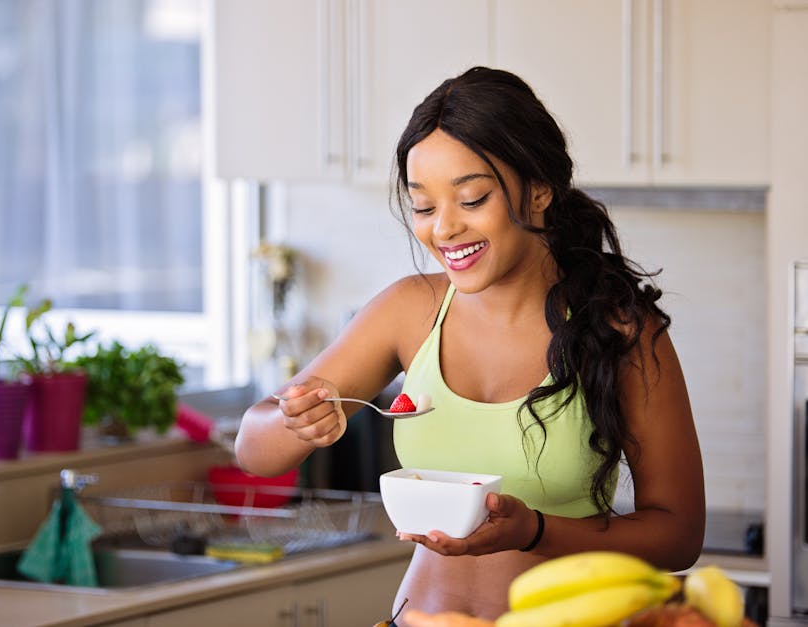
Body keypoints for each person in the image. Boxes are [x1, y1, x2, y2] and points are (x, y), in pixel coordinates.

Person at [234, 66, 705, 625]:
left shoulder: (619, 330)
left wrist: (534, 531)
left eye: (472, 198)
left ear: (538, 191)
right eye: (425, 207)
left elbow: (679, 534)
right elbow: (252, 449)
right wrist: (294, 422)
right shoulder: (409, 311)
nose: (444, 230)